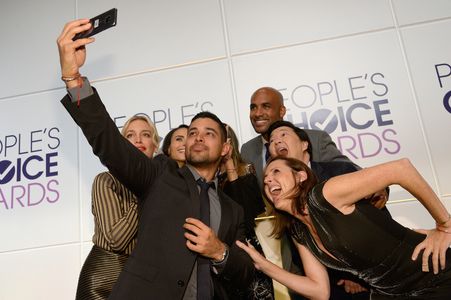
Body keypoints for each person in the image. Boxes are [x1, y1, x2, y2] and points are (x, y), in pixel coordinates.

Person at [57, 19, 254, 299]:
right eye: (193, 132)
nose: (197, 137)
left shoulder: (232, 209)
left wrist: (219, 251)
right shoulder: (159, 176)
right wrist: (73, 79)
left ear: (225, 148)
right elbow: (109, 141)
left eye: (209, 133)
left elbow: (246, 271)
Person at [238, 156, 451, 299]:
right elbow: (319, 291)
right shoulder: (299, 231)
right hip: (389, 293)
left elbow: (401, 168)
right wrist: (265, 266)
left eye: (276, 172)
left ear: (300, 175)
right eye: (265, 180)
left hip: (433, 275)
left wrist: (444, 225)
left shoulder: (324, 195)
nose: (268, 181)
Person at [240, 86, 353, 299]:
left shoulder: (314, 138)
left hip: (330, 242)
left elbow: (347, 172)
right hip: (284, 241)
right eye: (253, 107)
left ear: (282, 111)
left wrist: (352, 270)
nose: (257, 113)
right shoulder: (247, 150)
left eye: (266, 106)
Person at [267, 120, 392, 299]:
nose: (276, 142)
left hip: (378, 278)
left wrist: (360, 275)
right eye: (271, 141)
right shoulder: (281, 196)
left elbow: (376, 218)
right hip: (331, 284)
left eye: (283, 135)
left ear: (304, 145)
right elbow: (300, 250)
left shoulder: (340, 170)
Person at [76, 115, 160, 300]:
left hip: (141, 280)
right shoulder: (106, 180)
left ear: (155, 145)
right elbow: (116, 240)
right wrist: (144, 194)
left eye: (145, 134)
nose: (138, 139)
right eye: (130, 135)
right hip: (104, 282)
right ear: (122, 145)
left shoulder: (164, 190)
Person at [218, 124, 273, 299]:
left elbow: (247, 217)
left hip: (247, 249)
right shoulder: (206, 177)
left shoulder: (246, 170)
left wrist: (229, 165)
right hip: (219, 254)